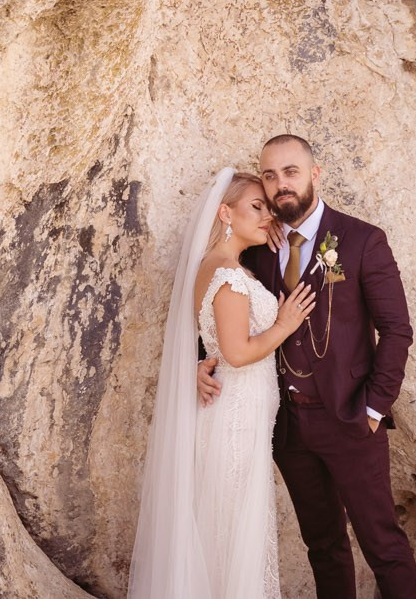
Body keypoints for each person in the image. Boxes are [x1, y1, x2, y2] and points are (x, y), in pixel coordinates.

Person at [197, 134, 416, 599]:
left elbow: (397, 330)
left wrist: (374, 409)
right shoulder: (257, 248)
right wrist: (202, 362)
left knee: (383, 545)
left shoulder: (362, 240)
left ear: (314, 175)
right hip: (288, 428)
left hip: (351, 420)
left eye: (291, 172)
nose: (280, 184)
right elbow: (221, 315)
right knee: (322, 546)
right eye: (270, 175)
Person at [128, 167, 317, 599]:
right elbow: (236, 353)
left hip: (239, 415)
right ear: (225, 213)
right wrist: (284, 324)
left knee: (225, 525)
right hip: (236, 419)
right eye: (257, 207)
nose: (268, 217)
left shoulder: (222, 267)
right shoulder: (228, 276)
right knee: (232, 528)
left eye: (269, 210)